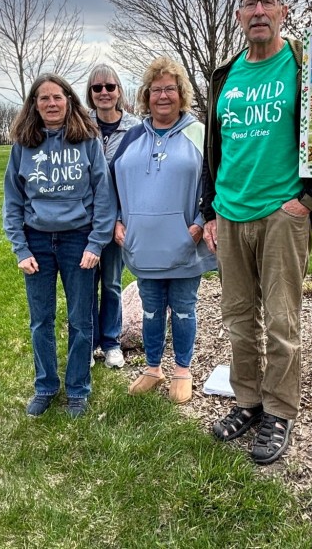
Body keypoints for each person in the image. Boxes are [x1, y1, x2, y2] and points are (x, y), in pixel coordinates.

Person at [202, 0, 312, 463]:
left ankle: (279, 412)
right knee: (239, 319)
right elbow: (213, 151)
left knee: (281, 322)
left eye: (268, 2)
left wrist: (309, 199)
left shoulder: (303, 67)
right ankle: (248, 403)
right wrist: (210, 210)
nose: (259, 11)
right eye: (250, 4)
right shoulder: (226, 76)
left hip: (283, 214)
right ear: (238, 15)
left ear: (282, 11)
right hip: (231, 215)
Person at [3, 73, 116, 419]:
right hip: (36, 241)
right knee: (41, 320)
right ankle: (46, 386)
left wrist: (96, 243)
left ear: (69, 100)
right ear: (34, 106)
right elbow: (12, 201)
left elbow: (103, 196)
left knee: (81, 320)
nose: (51, 104)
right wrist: (21, 249)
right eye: (43, 99)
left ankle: (78, 390)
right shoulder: (24, 144)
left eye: (57, 97)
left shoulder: (88, 140)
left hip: (78, 240)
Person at [112, 57, 216, 404]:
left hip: (185, 243)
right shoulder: (131, 138)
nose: (163, 96)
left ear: (181, 93)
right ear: (146, 95)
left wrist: (201, 224)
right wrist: (116, 221)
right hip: (142, 245)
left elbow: (215, 180)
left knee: (184, 307)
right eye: (156, 90)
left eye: (170, 88)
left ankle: (182, 370)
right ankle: (153, 368)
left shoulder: (200, 133)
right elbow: (110, 183)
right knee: (151, 308)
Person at [85, 64, 140, 369]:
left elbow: (134, 177)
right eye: (97, 88)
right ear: (90, 93)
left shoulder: (135, 128)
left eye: (110, 87)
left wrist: (120, 218)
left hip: (118, 218)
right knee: (85, 283)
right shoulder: (79, 125)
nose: (104, 92)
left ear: (119, 90)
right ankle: (89, 341)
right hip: (84, 221)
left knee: (111, 283)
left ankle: (111, 342)